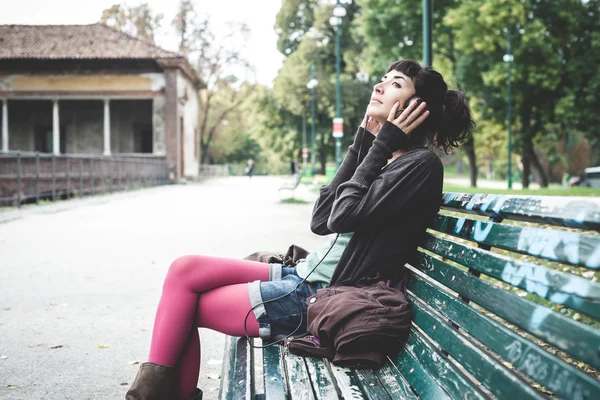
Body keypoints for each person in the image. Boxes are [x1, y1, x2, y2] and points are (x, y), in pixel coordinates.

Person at [125, 59, 474, 400]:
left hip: (318, 297)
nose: (379, 85)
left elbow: (341, 216)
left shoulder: (419, 165)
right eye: (382, 78)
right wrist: (363, 145)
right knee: (184, 269)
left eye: (395, 83)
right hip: (305, 276)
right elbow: (321, 219)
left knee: (189, 309)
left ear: (416, 109)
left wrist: (380, 144)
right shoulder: (394, 159)